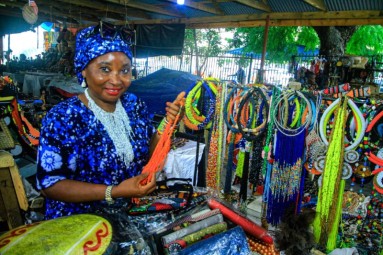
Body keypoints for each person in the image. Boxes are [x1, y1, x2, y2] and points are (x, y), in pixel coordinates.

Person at [36, 22, 185, 220]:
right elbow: (50, 186)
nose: (116, 80)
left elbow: (149, 155)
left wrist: (168, 122)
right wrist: (113, 191)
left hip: (130, 214)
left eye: (124, 70)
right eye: (105, 69)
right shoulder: (62, 118)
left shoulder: (134, 105)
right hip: (80, 223)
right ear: (83, 71)